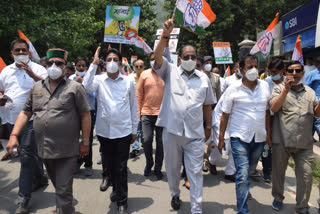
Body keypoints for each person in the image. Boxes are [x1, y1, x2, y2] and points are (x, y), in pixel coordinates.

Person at [7, 48, 91, 214]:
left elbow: (85, 115)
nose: (54, 65)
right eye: (51, 62)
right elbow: (25, 112)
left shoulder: (75, 88)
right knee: (58, 184)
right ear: (45, 65)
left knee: (63, 190)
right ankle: (64, 208)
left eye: (58, 63)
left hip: (67, 150)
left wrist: (85, 142)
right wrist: (14, 135)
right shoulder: (36, 87)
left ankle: (64, 209)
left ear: (65, 67)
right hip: (44, 150)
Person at [153, 16, 215, 214]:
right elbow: (157, 56)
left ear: (196, 59)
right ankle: (174, 194)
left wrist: (208, 128)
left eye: (192, 57)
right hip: (172, 134)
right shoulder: (169, 71)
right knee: (172, 171)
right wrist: (165, 35)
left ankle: (196, 209)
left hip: (195, 136)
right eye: (185, 57)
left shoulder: (204, 79)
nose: (189, 60)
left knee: (195, 173)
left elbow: (207, 105)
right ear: (179, 59)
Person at [83, 47, 139, 214]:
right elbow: (86, 86)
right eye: (109, 60)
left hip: (123, 131)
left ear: (121, 63)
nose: (112, 63)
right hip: (104, 131)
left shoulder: (128, 81)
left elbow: (133, 107)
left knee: (121, 167)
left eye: (115, 60)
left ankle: (122, 201)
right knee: (108, 164)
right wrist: (93, 64)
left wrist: (134, 129)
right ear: (104, 63)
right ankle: (111, 183)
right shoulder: (99, 80)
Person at [218, 54, 271, 214]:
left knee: (250, 170)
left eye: (256, 66)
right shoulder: (232, 89)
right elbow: (225, 115)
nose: (254, 70)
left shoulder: (264, 86)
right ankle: (243, 210)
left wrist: (268, 134)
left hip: (259, 137)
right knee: (242, 173)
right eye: (250, 67)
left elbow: (267, 113)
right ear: (241, 70)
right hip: (239, 137)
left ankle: (244, 190)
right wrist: (221, 138)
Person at [0, 38, 48, 214]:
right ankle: (40, 178)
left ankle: (23, 199)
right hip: (11, 120)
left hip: (33, 119)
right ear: (11, 53)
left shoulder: (39, 69)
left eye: (23, 51)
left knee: (26, 155)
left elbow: (52, 88)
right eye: (17, 51)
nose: (20, 53)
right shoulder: (5, 71)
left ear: (29, 53)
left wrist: (33, 76)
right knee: (29, 154)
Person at [270, 61, 319, 214]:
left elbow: (317, 113)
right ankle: (278, 197)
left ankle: (302, 206)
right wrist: (286, 89)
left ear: (303, 74)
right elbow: (273, 107)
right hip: (282, 140)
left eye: (298, 70)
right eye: (290, 70)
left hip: (304, 142)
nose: (294, 73)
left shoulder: (310, 92)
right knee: (278, 172)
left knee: (306, 175)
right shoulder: (278, 88)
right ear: (286, 73)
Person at [136, 52, 165, 180]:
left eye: (156, 59)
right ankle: (149, 162)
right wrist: (138, 113)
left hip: (163, 115)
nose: (154, 61)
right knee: (146, 140)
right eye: (152, 59)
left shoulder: (166, 74)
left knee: (161, 143)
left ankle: (158, 168)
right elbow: (138, 95)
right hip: (146, 113)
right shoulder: (144, 74)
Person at [69, 57, 96, 176]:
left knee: (87, 139)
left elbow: (93, 95)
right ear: (75, 66)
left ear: (86, 67)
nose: (81, 68)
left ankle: (88, 164)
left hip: (89, 112)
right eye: (78, 66)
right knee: (73, 139)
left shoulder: (92, 79)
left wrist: (82, 85)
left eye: (83, 66)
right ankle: (76, 161)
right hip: (74, 112)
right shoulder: (70, 78)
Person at [260, 58, 285, 183]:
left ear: (282, 71)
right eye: (270, 72)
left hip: (283, 119)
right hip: (268, 118)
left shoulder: (288, 83)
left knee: (279, 146)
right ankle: (266, 171)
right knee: (267, 144)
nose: (272, 75)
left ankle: (278, 169)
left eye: (275, 72)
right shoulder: (265, 82)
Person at [128, 59, 145, 158]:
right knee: (136, 128)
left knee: (144, 130)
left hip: (145, 108)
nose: (139, 68)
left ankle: (144, 143)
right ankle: (135, 148)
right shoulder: (129, 78)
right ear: (134, 67)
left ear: (144, 67)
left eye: (141, 66)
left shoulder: (147, 78)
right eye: (137, 66)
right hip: (134, 107)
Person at [305, 57, 320, 140]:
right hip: (316, 101)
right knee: (318, 121)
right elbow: (307, 88)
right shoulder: (312, 74)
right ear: (317, 65)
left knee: (314, 121)